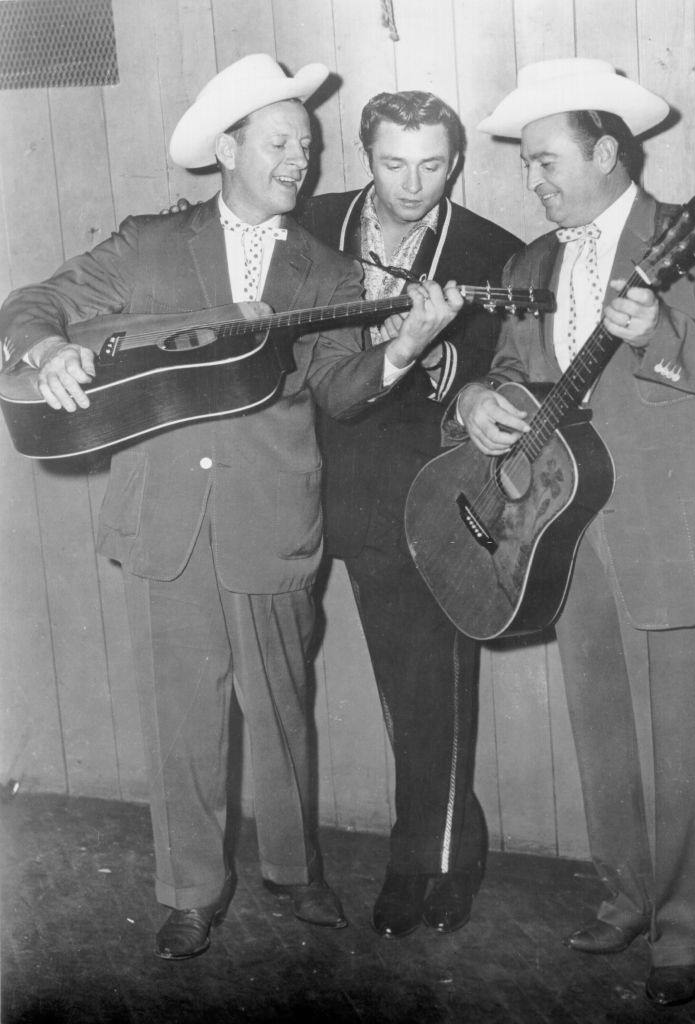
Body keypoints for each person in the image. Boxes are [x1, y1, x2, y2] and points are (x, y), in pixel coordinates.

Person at [0, 54, 463, 961]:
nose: (301, 160)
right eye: (282, 142)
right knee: (182, 720)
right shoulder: (146, 244)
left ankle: (294, 872)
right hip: (165, 517)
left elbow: (340, 391)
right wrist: (49, 345)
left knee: (282, 710)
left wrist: (404, 344)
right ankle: (189, 891)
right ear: (227, 148)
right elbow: (31, 302)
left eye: (307, 144)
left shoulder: (326, 275)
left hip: (270, 516)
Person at [450, 59, 695, 1005]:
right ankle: (626, 899)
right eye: (526, 165)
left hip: (681, 536)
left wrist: (661, 336)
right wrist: (476, 402)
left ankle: (682, 939)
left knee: (687, 751)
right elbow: (501, 379)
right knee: (604, 735)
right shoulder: (529, 266)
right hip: (564, 541)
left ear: (605, 151)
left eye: (547, 160)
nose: (534, 180)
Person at [297, 91, 522, 937]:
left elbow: (499, 371)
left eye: (432, 164)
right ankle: (290, 869)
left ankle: (429, 861)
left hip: (413, 487)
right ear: (365, 155)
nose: (413, 182)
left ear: (455, 162)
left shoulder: (492, 251)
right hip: (298, 478)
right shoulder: (310, 222)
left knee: (425, 690)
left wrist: (445, 366)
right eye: (394, 162)